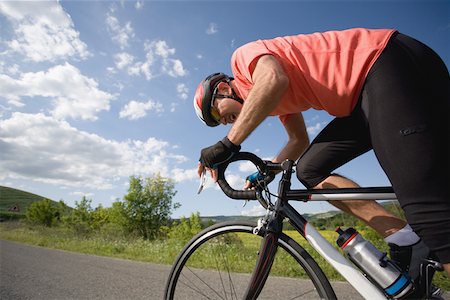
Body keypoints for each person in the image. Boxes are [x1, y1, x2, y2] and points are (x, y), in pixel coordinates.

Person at [193, 28, 450, 289]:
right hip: (361, 100)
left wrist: (227, 145)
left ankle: (426, 235)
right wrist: (265, 174)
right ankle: (404, 238)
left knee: (428, 214)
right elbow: (298, 141)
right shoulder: (276, 104)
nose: (222, 122)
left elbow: (272, 79)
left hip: (382, 62)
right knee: (310, 169)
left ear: (223, 88)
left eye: (216, 113)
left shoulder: (244, 60)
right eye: (217, 124)